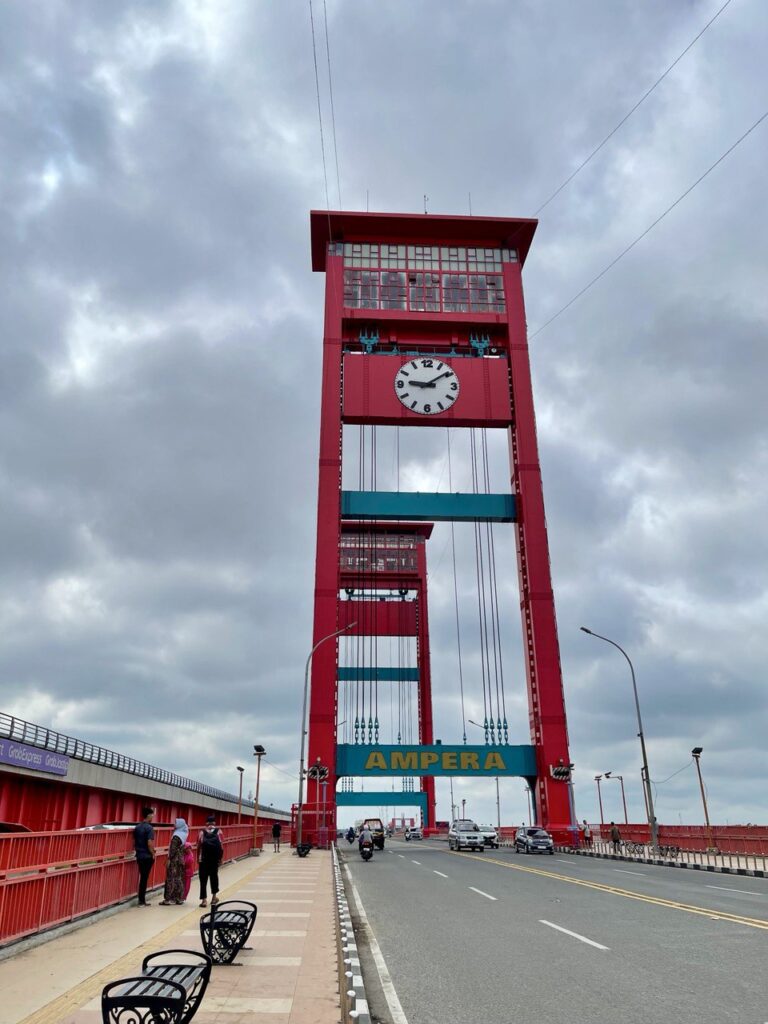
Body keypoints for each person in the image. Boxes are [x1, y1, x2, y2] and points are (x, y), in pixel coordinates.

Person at [160, 818, 188, 905]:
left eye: (176, 823)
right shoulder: (184, 834)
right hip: (180, 860)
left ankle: (167, 899)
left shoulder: (176, 836)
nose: (174, 824)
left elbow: (172, 850)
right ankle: (178, 898)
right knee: (179, 879)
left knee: (170, 878)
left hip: (174, 861)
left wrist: (168, 859)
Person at [198, 814, 223, 908]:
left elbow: (199, 846)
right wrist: (220, 858)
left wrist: (198, 858)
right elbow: (221, 846)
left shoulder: (202, 832)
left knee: (203, 879)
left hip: (203, 859)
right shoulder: (219, 831)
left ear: (206, 823)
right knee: (214, 877)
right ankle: (214, 898)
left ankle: (204, 900)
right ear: (214, 823)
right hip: (214, 859)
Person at [133, 807, 156, 907]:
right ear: (149, 815)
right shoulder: (149, 828)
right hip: (147, 856)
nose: (153, 817)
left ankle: (141, 900)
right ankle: (142, 901)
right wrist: (153, 853)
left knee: (142, 877)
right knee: (144, 878)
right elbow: (149, 842)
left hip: (139, 855)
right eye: (152, 815)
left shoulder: (137, 827)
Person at [183, 837, 196, 902]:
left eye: (189, 848)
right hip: (184, 872)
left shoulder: (189, 855)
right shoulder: (187, 854)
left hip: (187, 872)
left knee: (186, 886)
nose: (188, 849)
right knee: (184, 885)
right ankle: (182, 896)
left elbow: (187, 863)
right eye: (187, 848)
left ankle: (184, 897)